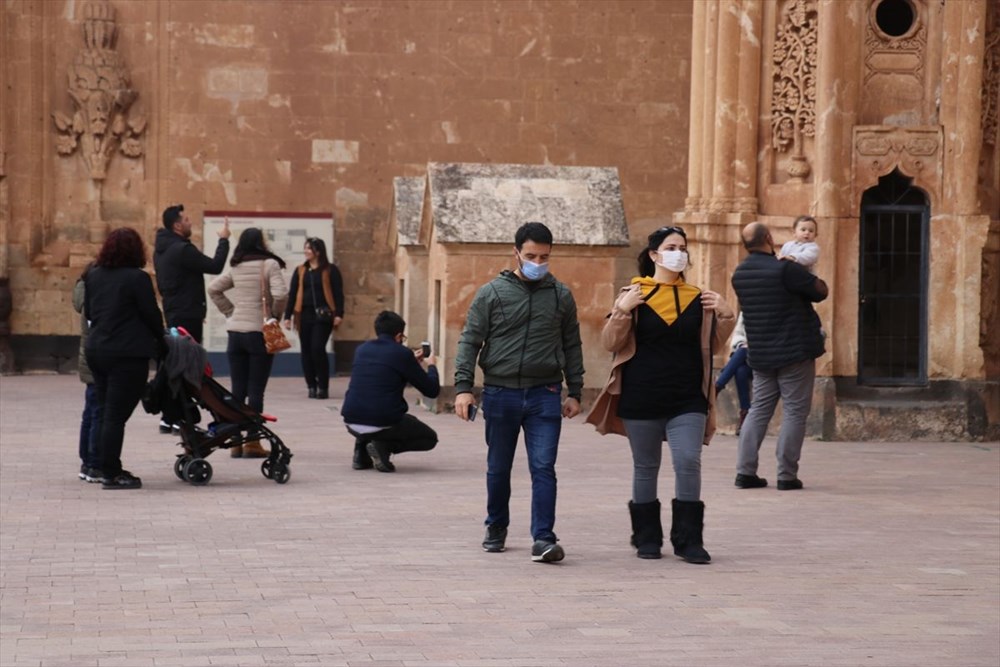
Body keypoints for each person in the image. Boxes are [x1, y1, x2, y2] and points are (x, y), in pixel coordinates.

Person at [586, 226, 735, 563]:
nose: (678, 253)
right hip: (642, 394)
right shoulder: (634, 294)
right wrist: (622, 310)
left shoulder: (698, 297)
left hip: (687, 396)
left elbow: (711, 345)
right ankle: (646, 538)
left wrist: (726, 314)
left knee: (688, 462)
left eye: (682, 247)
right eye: (671, 247)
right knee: (645, 466)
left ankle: (688, 540)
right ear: (654, 254)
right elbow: (610, 342)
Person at [454, 222, 584, 564]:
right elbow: (470, 340)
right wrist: (464, 388)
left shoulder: (561, 295)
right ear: (516, 253)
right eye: (531, 256)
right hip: (501, 393)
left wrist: (575, 391)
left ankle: (543, 538)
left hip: (545, 393)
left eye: (544, 257)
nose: (537, 262)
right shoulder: (491, 293)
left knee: (544, 467)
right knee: (498, 466)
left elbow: (572, 344)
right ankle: (496, 526)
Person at [731, 221, 828, 491]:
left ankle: (745, 472)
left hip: (761, 353)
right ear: (769, 238)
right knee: (795, 411)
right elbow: (820, 291)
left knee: (758, 410)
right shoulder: (785, 269)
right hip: (794, 351)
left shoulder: (739, 273)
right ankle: (786, 475)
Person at [84, 228, 165, 489]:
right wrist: (162, 340)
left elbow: (90, 311)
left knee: (106, 410)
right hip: (127, 354)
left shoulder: (94, 275)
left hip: (97, 350)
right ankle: (111, 472)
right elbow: (151, 314)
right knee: (115, 416)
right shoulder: (137, 278)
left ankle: (101, 465)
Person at [207, 227, 288, 459]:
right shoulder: (269, 264)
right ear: (260, 243)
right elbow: (281, 294)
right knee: (256, 390)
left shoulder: (237, 266)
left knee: (237, 390)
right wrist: (274, 316)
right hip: (258, 333)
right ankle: (252, 442)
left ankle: (235, 441)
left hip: (236, 333)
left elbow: (213, 288)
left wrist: (230, 312)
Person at [153, 204, 230, 433]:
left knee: (175, 364)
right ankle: (179, 417)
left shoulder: (162, 250)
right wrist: (224, 240)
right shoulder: (182, 250)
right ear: (177, 225)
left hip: (175, 311)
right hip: (187, 314)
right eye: (186, 220)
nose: (190, 223)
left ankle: (169, 417)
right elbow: (215, 266)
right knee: (186, 367)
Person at [341, 311, 439, 473]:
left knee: (371, 407)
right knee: (429, 438)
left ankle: (360, 453)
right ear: (399, 335)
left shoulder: (362, 349)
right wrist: (432, 366)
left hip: (351, 421)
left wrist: (410, 362)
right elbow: (432, 390)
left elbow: (383, 372)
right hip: (383, 421)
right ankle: (383, 447)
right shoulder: (402, 354)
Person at [282, 237, 345, 399]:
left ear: (318, 251)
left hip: (324, 316)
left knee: (317, 348)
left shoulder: (330, 270)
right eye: (305, 248)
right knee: (306, 350)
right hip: (303, 314)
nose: (306, 251)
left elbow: (338, 293)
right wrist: (287, 316)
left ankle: (323, 386)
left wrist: (339, 314)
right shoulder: (301, 270)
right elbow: (293, 294)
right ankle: (311, 385)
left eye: (309, 248)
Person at [72, 263, 103, 483]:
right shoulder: (95, 291)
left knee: (90, 411)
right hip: (96, 356)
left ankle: (86, 462)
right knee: (97, 411)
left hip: (87, 356)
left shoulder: (83, 289)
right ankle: (93, 463)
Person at [714, 311, 752, 435]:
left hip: (765, 357)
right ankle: (745, 414)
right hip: (747, 360)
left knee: (743, 352)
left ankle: (718, 385)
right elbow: (738, 334)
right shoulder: (746, 311)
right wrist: (742, 344)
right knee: (740, 371)